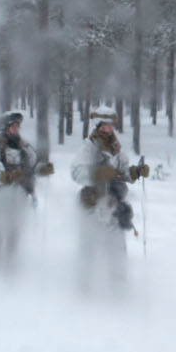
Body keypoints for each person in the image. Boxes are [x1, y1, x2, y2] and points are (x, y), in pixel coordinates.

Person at [70, 105, 148, 292]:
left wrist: (136, 172)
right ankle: (84, 287)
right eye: (105, 125)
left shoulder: (116, 148)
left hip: (113, 205)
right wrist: (98, 174)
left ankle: (118, 287)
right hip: (92, 205)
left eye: (111, 125)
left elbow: (123, 173)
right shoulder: (89, 147)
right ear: (98, 126)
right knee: (89, 248)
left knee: (117, 248)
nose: (109, 128)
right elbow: (76, 172)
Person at [0, 110, 53, 275]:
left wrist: (42, 169)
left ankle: (11, 263)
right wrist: (8, 176)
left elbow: (32, 166)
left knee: (15, 230)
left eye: (18, 126)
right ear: (5, 128)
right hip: (2, 197)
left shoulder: (25, 147)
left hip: (20, 196)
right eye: (13, 126)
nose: (17, 129)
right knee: (0, 229)